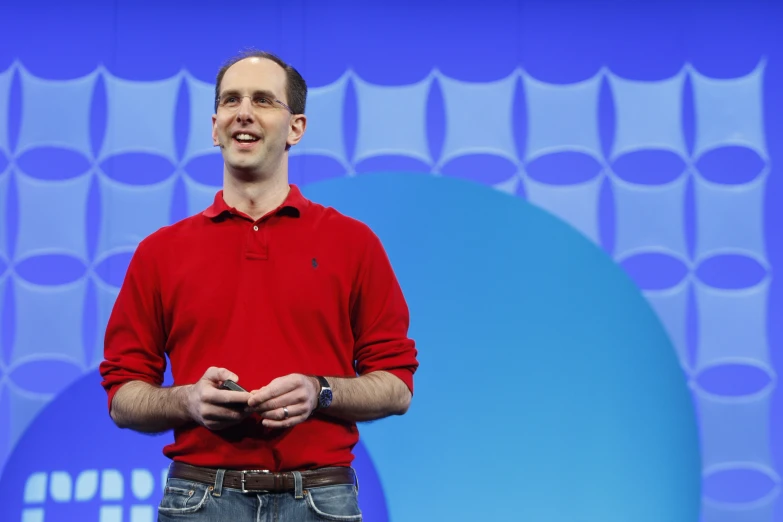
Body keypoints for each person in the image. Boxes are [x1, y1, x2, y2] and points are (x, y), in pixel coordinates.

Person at [99, 49, 419, 522]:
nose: (243, 112)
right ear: (214, 127)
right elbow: (123, 395)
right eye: (231, 100)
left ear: (296, 128)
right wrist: (187, 400)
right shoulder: (160, 252)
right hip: (199, 499)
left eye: (264, 100)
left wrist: (320, 391)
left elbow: (396, 386)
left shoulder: (353, 243)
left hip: (320, 500)